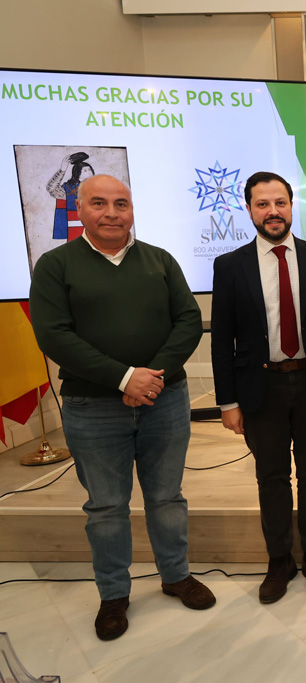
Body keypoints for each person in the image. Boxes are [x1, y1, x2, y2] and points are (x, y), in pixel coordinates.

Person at [30, 174, 214, 641]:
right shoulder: (55, 265)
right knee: (107, 507)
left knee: (167, 497)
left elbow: (188, 321)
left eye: (121, 204)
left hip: (164, 401)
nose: (111, 213)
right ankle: (113, 594)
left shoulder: (160, 260)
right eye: (99, 203)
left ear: (132, 210)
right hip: (92, 407)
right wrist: (123, 377)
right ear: (79, 209)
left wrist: (149, 379)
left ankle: (176, 575)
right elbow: (54, 335)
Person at [211, 171, 306, 604]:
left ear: (291, 206)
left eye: (280, 203)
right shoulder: (230, 266)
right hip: (260, 386)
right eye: (263, 204)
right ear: (249, 209)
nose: (273, 212)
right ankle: (280, 560)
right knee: (271, 477)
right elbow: (222, 340)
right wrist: (227, 402)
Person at [47, 151, 95, 241]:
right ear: (78, 174)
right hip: (76, 230)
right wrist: (62, 170)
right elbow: (51, 188)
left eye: (89, 170)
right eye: (85, 171)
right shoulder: (69, 189)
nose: (89, 173)